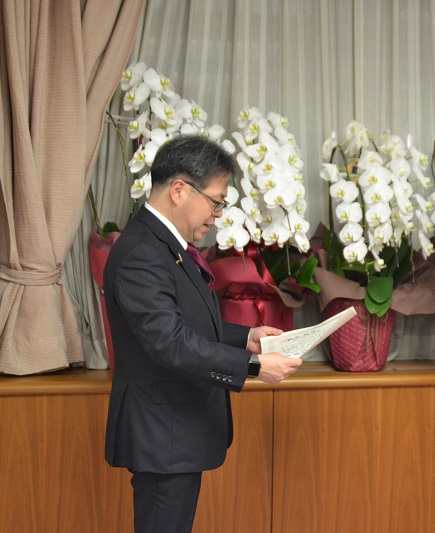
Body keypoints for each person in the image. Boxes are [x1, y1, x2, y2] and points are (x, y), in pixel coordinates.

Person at [103, 135, 303, 533]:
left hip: (175, 432)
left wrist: (245, 338)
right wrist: (253, 365)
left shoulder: (164, 244)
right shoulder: (142, 252)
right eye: (215, 201)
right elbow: (169, 342)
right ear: (179, 190)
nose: (218, 215)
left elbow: (183, 324)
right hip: (163, 435)